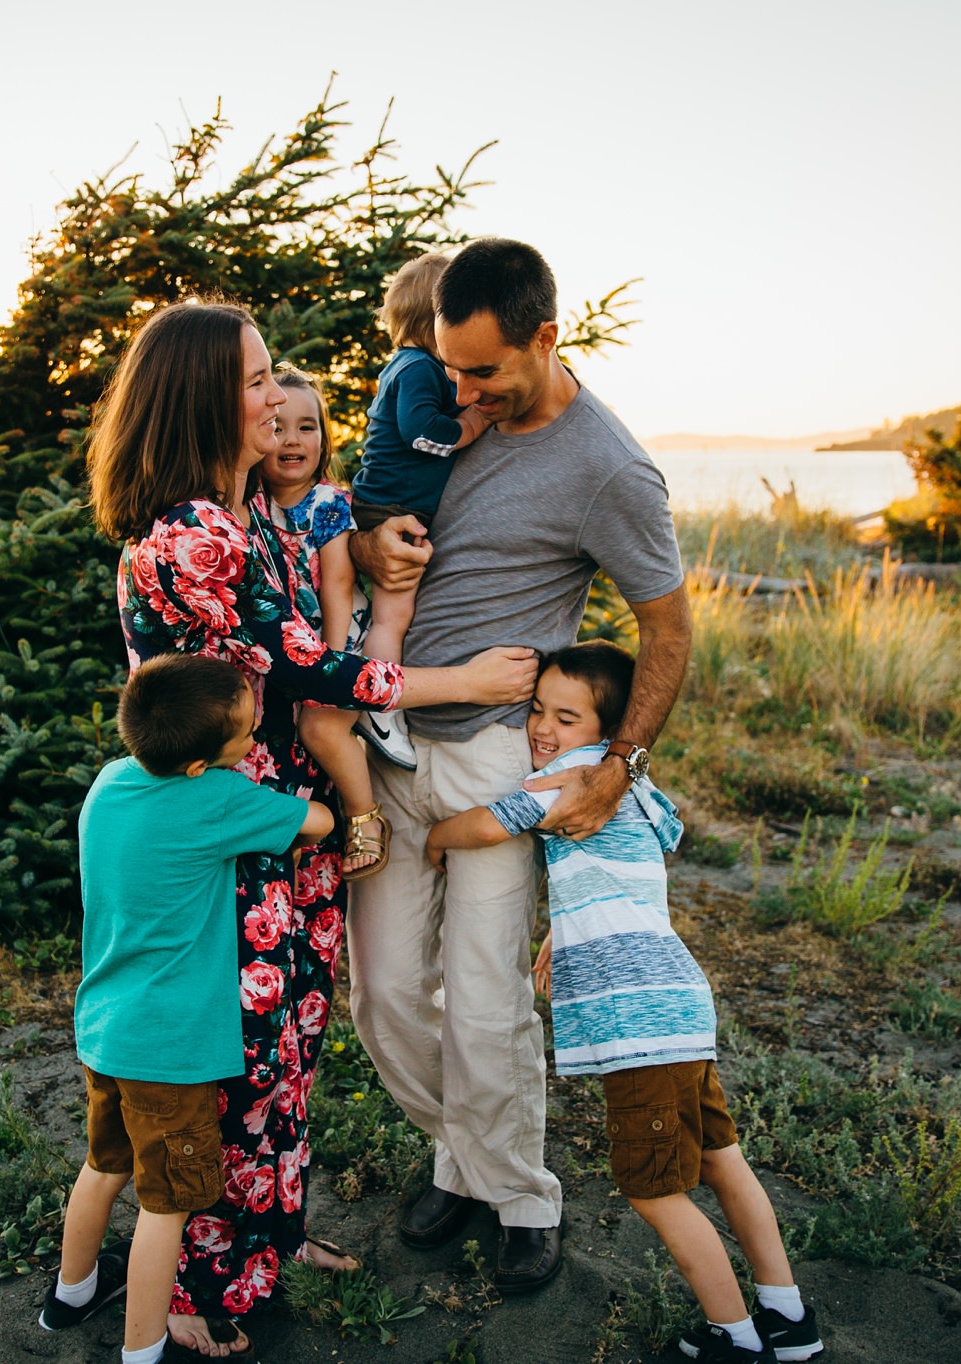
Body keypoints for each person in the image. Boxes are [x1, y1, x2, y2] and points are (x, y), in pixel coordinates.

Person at [86, 298, 538, 1356]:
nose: (269, 395)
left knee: (289, 1042)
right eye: (250, 380)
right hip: (234, 834)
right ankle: (199, 1285)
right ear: (202, 396)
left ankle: (270, 1240)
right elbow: (305, 665)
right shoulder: (190, 534)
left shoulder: (247, 513)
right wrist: (454, 681)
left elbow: (315, 632)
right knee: (239, 1060)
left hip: (294, 815)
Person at [345, 237, 693, 1293]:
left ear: (546, 337)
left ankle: (516, 1191)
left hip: (502, 752)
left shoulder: (608, 468)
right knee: (387, 993)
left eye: (484, 371)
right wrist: (368, 549)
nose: (462, 392)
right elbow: (366, 518)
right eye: (448, 366)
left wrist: (617, 762)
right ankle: (464, 1150)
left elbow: (667, 629)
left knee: (490, 995)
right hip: (385, 735)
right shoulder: (437, 406)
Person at [425, 643, 821, 1364]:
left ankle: (732, 1338)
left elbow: (487, 824)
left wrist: (434, 837)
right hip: (677, 1002)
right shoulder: (636, 787)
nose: (543, 727)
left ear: (608, 733)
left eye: (565, 716)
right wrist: (561, 937)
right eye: (537, 709)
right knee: (722, 1159)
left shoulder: (568, 779)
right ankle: (787, 1316)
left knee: (654, 1191)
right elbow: (618, 878)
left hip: (634, 1023)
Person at [45, 652, 334, 1364]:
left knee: (104, 1165)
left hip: (107, 1029)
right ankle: (143, 1351)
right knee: (167, 1203)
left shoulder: (110, 783)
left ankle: (71, 1295)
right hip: (171, 1049)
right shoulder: (216, 799)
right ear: (205, 764)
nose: (253, 734)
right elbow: (319, 820)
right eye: (243, 733)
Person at [348, 253, 492, 763]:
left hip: (392, 505)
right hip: (391, 509)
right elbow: (420, 431)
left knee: (394, 612)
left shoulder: (414, 366)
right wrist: (468, 427)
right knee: (394, 615)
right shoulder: (416, 369)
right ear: (436, 322)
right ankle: (379, 708)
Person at [259, 368, 386, 879]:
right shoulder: (250, 505)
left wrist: (331, 666)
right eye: (278, 427)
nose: (292, 440)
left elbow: (336, 585)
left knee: (319, 726)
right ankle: (299, 835)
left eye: (306, 427)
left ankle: (365, 816)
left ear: (324, 438)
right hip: (286, 649)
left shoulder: (327, 503)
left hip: (335, 640)